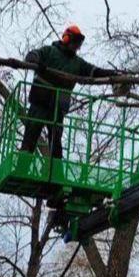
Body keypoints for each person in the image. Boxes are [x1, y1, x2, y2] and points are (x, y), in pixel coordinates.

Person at [20, 25, 121, 195]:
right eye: (74, 42)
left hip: (58, 107)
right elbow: (33, 55)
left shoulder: (77, 63)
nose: (76, 47)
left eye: (78, 44)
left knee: (56, 143)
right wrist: (35, 61)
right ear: (66, 39)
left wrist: (113, 74)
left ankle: (56, 177)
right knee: (31, 136)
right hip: (40, 101)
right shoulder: (49, 51)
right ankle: (22, 170)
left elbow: (93, 71)